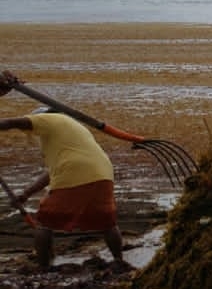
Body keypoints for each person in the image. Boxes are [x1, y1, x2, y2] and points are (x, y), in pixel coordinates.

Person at [0, 71, 125, 271]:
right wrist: (25, 194)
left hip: (76, 172)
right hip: (103, 173)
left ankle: (43, 268)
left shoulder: (49, 120)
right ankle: (119, 261)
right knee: (107, 223)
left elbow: (10, 123)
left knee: (44, 222)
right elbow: (53, 172)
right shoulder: (72, 130)